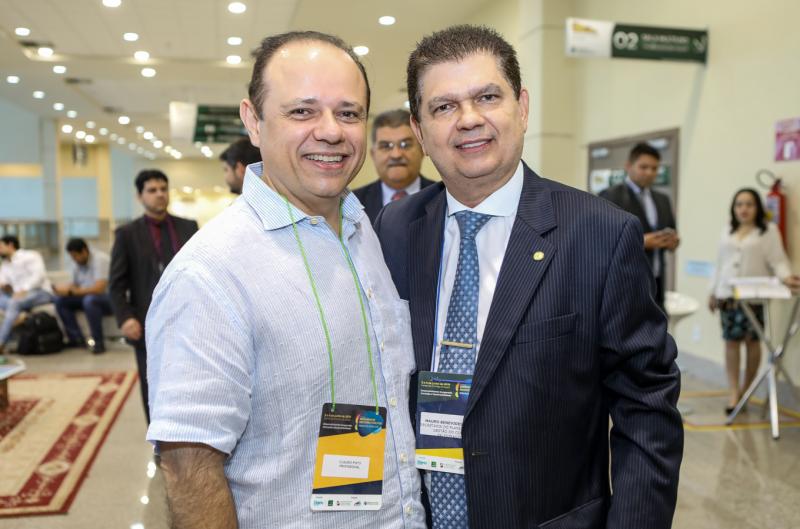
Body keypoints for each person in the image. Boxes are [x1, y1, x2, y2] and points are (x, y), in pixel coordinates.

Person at [374, 25, 683, 529]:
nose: (468, 119)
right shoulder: (396, 228)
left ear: (521, 107)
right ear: (420, 130)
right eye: (444, 106)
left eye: (487, 97)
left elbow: (646, 410)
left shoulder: (599, 234)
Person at [145, 31, 424, 529]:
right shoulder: (209, 276)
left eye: (348, 113)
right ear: (253, 121)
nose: (331, 131)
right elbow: (189, 468)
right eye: (302, 111)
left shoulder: (363, 232)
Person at [109, 170, 198, 422]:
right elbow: (116, 283)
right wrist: (126, 318)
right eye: (152, 190)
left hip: (188, 319)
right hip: (147, 324)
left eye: (163, 189)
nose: (160, 194)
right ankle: (159, 439)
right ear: (140, 196)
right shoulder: (127, 234)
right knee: (154, 386)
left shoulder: (188, 227)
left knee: (191, 382)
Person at [708, 188, 800, 413]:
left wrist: (787, 277)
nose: (744, 209)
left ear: (757, 207)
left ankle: (746, 390)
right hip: (727, 295)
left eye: (749, 204)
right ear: (734, 208)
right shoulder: (727, 230)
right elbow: (719, 263)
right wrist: (712, 291)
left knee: (752, 343)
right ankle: (733, 393)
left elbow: (778, 261)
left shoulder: (767, 231)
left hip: (752, 297)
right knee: (731, 343)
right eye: (739, 204)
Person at [600, 142, 679, 309]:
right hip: (625, 284)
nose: (649, 172)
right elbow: (601, 240)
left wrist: (673, 241)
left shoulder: (662, 200)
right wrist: (641, 241)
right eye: (643, 167)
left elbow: (672, 231)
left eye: (654, 168)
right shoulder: (610, 196)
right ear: (628, 166)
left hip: (657, 282)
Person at [353, 109, 435, 222]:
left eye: (405, 145)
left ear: (422, 150)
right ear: (373, 154)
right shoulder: (353, 203)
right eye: (386, 146)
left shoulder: (443, 197)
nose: (396, 155)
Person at [52, 238, 113, 354]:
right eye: (72, 257)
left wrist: (73, 292)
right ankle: (76, 339)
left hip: (107, 299)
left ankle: (98, 342)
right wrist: (61, 290)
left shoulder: (100, 260)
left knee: (89, 300)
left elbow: (99, 289)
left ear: (84, 251)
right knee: (60, 301)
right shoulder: (77, 264)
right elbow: (74, 285)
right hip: (87, 297)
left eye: (75, 256)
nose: (74, 259)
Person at [0, 235, 53, 354]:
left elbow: (39, 276)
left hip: (40, 292)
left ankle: (1, 342)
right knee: (11, 302)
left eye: (1, 247)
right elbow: (3, 281)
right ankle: (20, 316)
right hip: (17, 297)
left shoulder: (30, 256)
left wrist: (24, 289)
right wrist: (5, 286)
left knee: (14, 303)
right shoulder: (5, 264)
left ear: (10, 245)